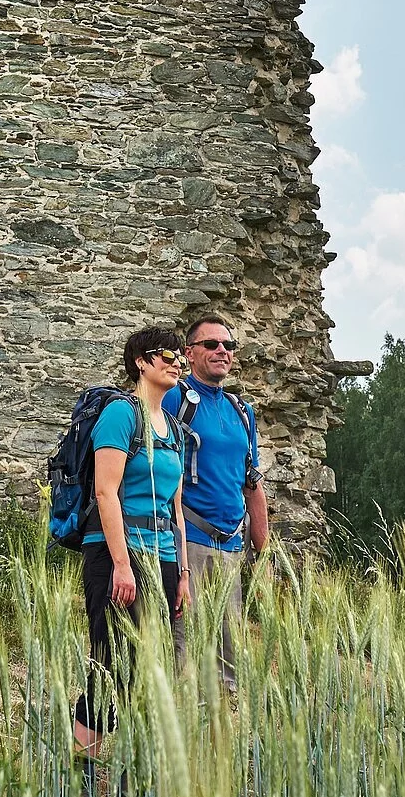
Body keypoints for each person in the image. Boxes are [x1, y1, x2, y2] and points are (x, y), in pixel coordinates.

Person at [71, 325, 190, 758]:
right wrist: (122, 564)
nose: (176, 362)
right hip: (115, 552)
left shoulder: (174, 429)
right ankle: (81, 768)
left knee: (150, 668)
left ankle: (135, 774)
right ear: (140, 361)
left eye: (180, 354)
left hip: (163, 556)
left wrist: (183, 573)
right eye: (166, 354)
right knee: (109, 666)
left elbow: (175, 508)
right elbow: (106, 491)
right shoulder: (122, 414)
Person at [163, 314, 266, 690]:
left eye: (228, 345)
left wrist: (263, 553)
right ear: (190, 353)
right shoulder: (175, 397)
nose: (222, 350)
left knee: (229, 660)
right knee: (185, 650)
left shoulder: (242, 411)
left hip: (232, 546)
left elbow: (252, 482)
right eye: (211, 344)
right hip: (188, 540)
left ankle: (220, 739)